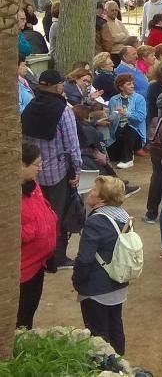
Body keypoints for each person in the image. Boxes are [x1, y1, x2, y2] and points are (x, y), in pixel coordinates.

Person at [21, 70, 83, 267]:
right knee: (56, 216)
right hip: (57, 174)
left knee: (37, 214)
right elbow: (72, 145)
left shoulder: (30, 106)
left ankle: (39, 256)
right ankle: (55, 257)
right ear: (58, 87)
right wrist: (76, 170)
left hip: (33, 173)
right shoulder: (63, 111)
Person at [72, 175, 131, 355]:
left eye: (94, 191)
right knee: (115, 327)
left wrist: (77, 281)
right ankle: (121, 367)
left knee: (98, 337)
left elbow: (84, 259)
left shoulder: (95, 222)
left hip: (97, 288)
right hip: (118, 283)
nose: (90, 192)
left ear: (102, 198)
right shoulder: (123, 217)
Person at [18, 141, 57, 329]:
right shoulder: (10, 195)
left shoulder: (32, 186)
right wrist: (32, 232)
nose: (40, 168)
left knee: (29, 313)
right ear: (21, 165)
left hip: (37, 265)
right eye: (36, 164)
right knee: (20, 318)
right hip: (21, 272)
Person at [107, 73, 147, 169]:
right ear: (121, 87)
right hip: (117, 133)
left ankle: (128, 159)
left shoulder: (139, 99)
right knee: (112, 158)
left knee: (128, 128)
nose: (132, 86)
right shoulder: (113, 100)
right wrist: (108, 118)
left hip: (135, 132)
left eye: (132, 83)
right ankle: (127, 153)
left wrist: (126, 113)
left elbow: (141, 117)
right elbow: (112, 118)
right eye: (129, 84)